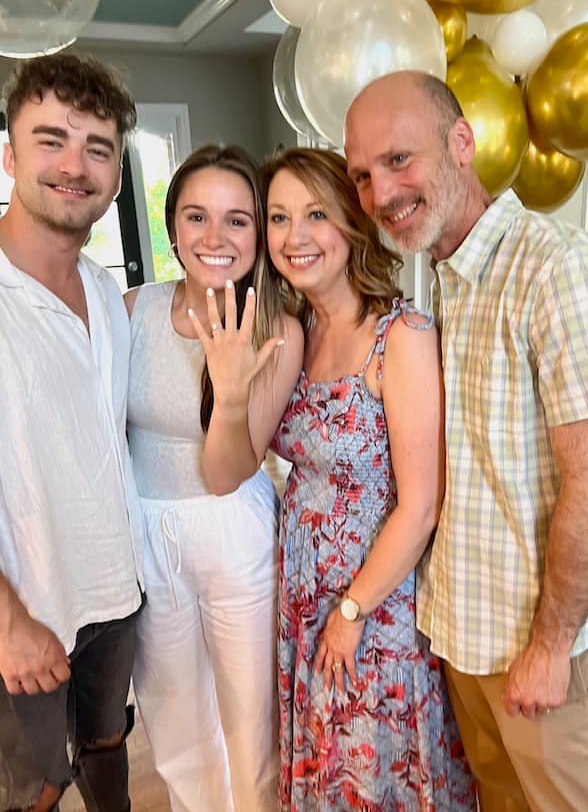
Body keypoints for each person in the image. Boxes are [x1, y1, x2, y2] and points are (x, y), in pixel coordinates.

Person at [344, 70, 588, 812]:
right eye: (361, 174)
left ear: (460, 144)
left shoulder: (560, 268)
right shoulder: (439, 279)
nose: (381, 193)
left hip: (547, 641)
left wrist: (549, 648)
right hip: (468, 626)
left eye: (398, 160)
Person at [195, 146, 475, 810]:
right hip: (305, 595)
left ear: (351, 223)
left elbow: (421, 505)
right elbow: (228, 469)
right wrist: (230, 396)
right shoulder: (296, 333)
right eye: (280, 217)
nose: (295, 236)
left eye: (315, 214)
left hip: (375, 604)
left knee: (379, 764)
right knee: (331, 767)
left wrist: (351, 611)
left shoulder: (400, 335)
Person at [125, 144, 303, 812]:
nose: (215, 237)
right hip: (148, 535)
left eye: (237, 219)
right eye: (197, 216)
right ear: (171, 228)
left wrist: (229, 394)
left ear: (258, 234)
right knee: (176, 729)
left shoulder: (275, 329)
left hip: (234, 532)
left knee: (250, 727)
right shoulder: (130, 308)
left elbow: (227, 474)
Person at [0, 53, 144, 811]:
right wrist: (8, 621)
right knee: (35, 788)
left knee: (106, 745)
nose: (74, 166)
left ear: (117, 172)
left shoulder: (104, 292)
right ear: (9, 154)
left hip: (114, 589)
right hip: (25, 604)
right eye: (51, 139)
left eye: (98, 147)